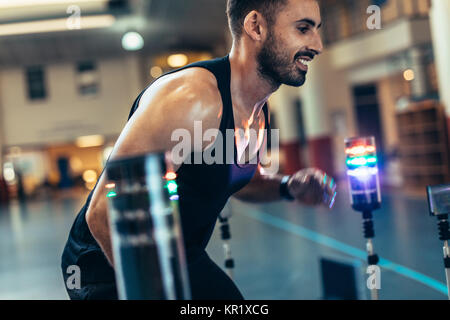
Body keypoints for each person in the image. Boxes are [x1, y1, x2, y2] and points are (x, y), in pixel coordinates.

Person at [61, 0, 335, 300]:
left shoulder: (258, 110)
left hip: (178, 253)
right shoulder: (192, 100)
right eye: (303, 29)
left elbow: (232, 180)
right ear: (256, 26)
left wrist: (287, 187)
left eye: (316, 30)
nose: (317, 45)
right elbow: (102, 213)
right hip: (106, 263)